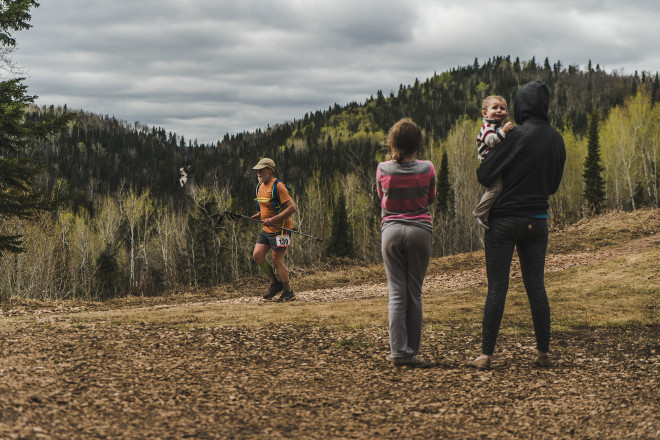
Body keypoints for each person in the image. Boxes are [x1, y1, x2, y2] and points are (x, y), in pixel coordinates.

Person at [468, 81, 566, 370]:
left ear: (521, 105)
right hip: (537, 219)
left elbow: (485, 174)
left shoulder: (513, 135)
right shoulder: (556, 138)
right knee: (536, 285)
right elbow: (553, 186)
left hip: (503, 221)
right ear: (544, 105)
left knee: (497, 286)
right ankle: (544, 353)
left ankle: (486, 356)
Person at [377, 118, 436, 367]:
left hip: (390, 231)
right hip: (420, 231)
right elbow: (430, 197)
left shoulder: (382, 169)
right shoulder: (428, 168)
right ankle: (411, 352)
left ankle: (398, 351)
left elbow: (382, 198)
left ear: (393, 142)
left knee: (396, 293)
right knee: (414, 292)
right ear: (418, 144)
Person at [251, 158, 297, 302]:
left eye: (262, 169)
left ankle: (289, 292)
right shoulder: (259, 186)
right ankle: (275, 284)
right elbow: (266, 208)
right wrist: (260, 215)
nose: (259, 172)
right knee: (257, 256)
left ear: (270, 170)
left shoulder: (279, 186)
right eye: (257, 170)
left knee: (277, 261)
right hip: (266, 229)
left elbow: (292, 208)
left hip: (282, 230)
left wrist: (273, 219)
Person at [473, 95, 515, 229]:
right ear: (485, 113)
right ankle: (480, 212)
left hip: (495, 162)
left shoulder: (496, 126)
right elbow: (491, 141)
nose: (499, 110)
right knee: (496, 188)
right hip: (489, 163)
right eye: (495, 107)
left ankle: (492, 211)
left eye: (502, 108)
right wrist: (504, 132)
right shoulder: (487, 127)